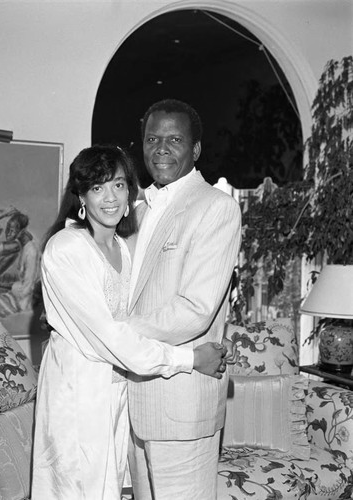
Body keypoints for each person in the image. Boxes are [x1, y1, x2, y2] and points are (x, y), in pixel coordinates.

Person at [31, 144, 227, 500]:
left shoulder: (123, 247)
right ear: (81, 196)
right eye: (97, 187)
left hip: (119, 390)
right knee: (78, 489)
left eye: (118, 186)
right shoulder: (67, 248)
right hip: (79, 389)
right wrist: (191, 359)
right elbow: (111, 336)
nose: (110, 198)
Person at [125, 99, 242, 500]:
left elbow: (195, 311)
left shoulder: (216, 208)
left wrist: (112, 333)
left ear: (194, 150)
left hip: (182, 402)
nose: (161, 148)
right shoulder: (135, 210)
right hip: (133, 399)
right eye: (152, 138)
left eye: (174, 139)